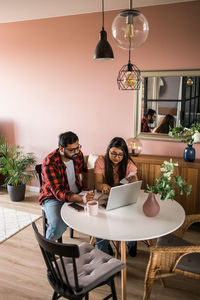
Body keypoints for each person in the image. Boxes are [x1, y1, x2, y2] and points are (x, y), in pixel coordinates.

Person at [39, 131, 94, 241]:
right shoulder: (50, 162)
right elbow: (58, 192)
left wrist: (86, 189)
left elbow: (84, 171)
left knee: (96, 213)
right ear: (61, 148)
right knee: (58, 227)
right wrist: (80, 198)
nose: (76, 152)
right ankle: (47, 247)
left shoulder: (78, 154)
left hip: (76, 193)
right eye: (71, 150)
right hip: (53, 198)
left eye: (77, 147)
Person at [94, 137, 138, 257]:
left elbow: (135, 186)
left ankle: (131, 242)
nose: (116, 157)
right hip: (106, 194)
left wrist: (133, 180)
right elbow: (97, 183)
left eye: (120, 155)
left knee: (130, 215)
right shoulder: (100, 160)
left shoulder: (129, 164)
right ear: (108, 150)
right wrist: (102, 185)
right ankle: (104, 243)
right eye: (113, 153)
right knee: (100, 217)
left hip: (123, 194)